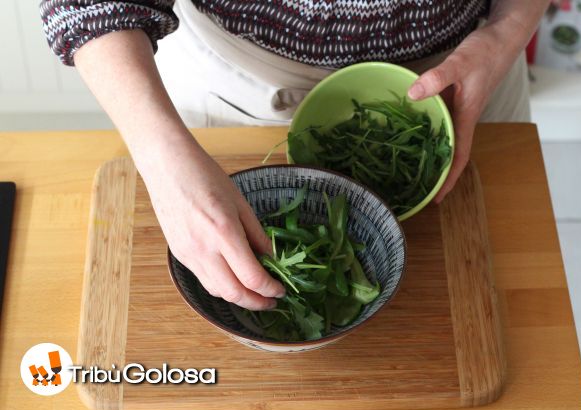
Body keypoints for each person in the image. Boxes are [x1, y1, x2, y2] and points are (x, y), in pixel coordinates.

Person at [41, 0, 548, 311]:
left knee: (510, 295)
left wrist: (507, 33)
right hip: (236, 84)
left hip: (468, 76)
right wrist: (160, 156)